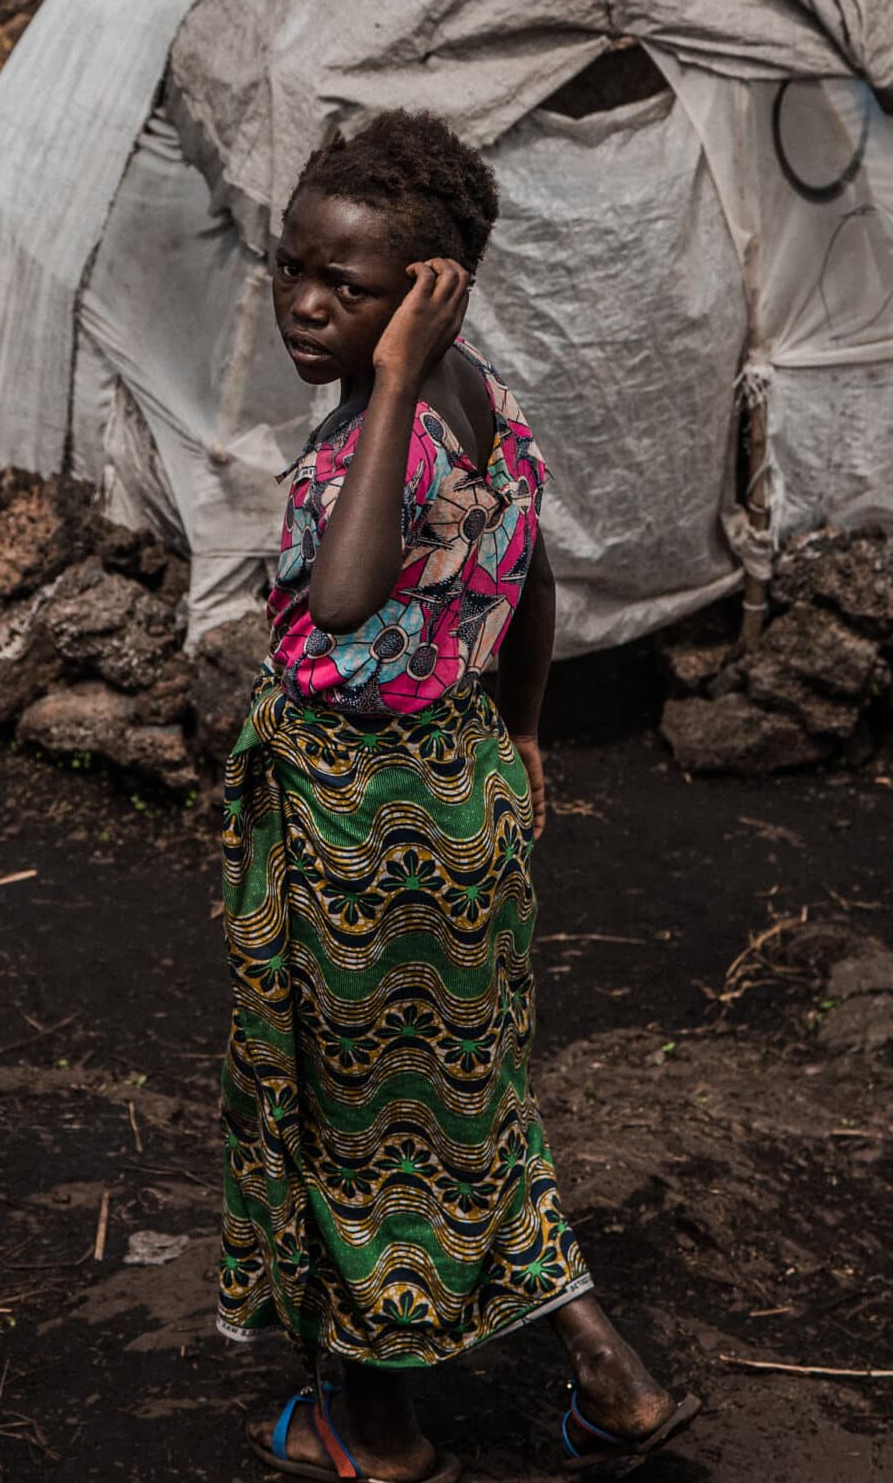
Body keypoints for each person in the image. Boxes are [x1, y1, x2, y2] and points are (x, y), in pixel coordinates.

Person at [218, 111, 702, 1482]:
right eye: (292, 266)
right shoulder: (489, 403)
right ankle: (608, 1368)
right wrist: (526, 726)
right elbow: (534, 569)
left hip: (360, 818)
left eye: (353, 286)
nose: (308, 303)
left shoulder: (391, 432)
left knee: (367, 1118)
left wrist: (383, 387)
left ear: (428, 295)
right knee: (465, 1097)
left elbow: (348, 592)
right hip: (463, 796)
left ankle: (375, 1425)